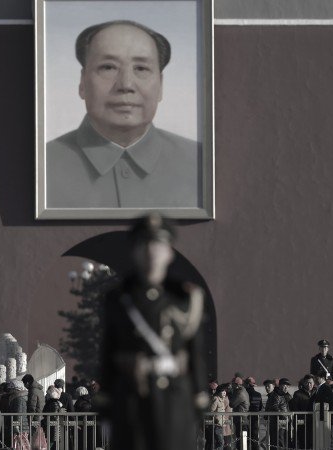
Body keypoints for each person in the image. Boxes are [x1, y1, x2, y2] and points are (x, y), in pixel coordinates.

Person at [46, 21, 201, 209]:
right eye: (108, 67)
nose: (126, 84)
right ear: (82, 83)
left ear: (160, 86)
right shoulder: (43, 165)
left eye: (141, 69)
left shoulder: (200, 163)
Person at [98, 213, 208, 450]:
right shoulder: (119, 299)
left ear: (169, 252)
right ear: (135, 252)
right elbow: (108, 351)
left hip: (174, 398)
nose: (151, 251)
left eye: (158, 244)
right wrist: (105, 401)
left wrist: (199, 398)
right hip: (132, 398)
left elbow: (194, 352)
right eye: (144, 244)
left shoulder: (184, 298)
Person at [0, 380, 28, 446]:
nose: (9, 391)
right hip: (21, 426)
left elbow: (18, 413)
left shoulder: (18, 398)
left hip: (20, 427)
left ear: (15, 388)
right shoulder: (18, 396)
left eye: (11, 389)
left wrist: (16, 426)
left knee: (19, 445)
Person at [266, 378, 291, 449]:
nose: (286, 387)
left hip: (284, 423)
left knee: (284, 442)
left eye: (288, 386)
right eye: (284, 385)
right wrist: (284, 415)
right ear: (280, 386)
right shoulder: (276, 395)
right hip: (277, 423)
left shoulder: (286, 396)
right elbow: (274, 407)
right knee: (279, 443)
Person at [290, 376, 314, 449]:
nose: (309, 385)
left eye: (310, 383)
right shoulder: (297, 394)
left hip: (314, 423)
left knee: (314, 443)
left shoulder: (317, 392)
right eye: (307, 383)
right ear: (304, 383)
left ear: (313, 383)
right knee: (303, 444)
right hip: (302, 423)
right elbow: (295, 408)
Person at [206, 385, 228, 450]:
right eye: (222, 391)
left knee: (220, 442)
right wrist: (216, 419)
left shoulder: (222, 399)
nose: (224, 392)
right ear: (219, 392)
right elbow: (211, 411)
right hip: (216, 425)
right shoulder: (216, 398)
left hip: (221, 425)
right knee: (220, 442)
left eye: (225, 391)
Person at [244, 377, 262, 450]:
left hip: (246, 418)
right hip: (255, 418)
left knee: (246, 438)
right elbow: (260, 407)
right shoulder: (258, 394)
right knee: (254, 438)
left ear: (247, 384)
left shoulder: (245, 394)